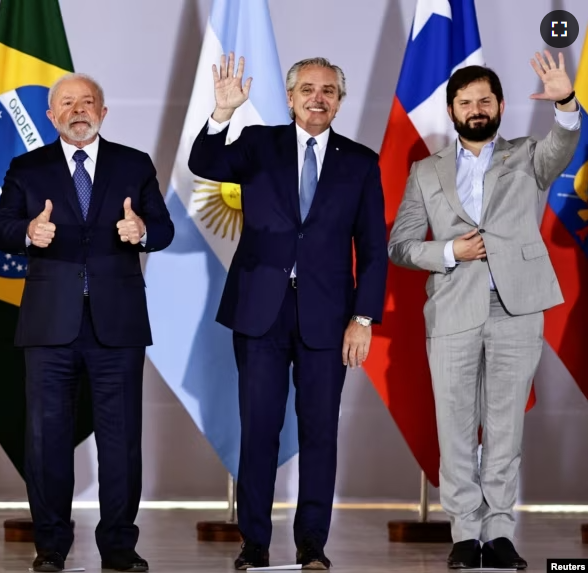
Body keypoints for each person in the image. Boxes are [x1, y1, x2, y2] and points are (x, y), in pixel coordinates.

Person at [188, 55, 388, 570]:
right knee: (258, 429)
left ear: (340, 101)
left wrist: (363, 318)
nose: (317, 98)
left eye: (327, 90)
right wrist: (221, 114)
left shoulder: (361, 162)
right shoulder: (257, 143)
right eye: (307, 89)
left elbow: (371, 248)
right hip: (260, 313)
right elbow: (204, 163)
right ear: (291, 96)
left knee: (320, 433)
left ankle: (312, 546)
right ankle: (254, 542)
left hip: (329, 318)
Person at [387, 53, 580, 570]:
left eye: (484, 100)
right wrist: (451, 252)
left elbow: (563, 145)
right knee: (454, 427)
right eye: (466, 102)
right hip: (451, 309)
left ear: (500, 106)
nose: (476, 109)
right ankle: (464, 533)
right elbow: (401, 245)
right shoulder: (425, 170)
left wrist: (565, 101)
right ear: (451, 110)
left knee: (503, 428)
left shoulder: (527, 155)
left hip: (517, 307)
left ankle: (498, 534)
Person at [0, 73, 174, 573]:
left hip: (118, 324)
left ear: (104, 112)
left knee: (120, 440)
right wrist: (28, 231)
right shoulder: (27, 168)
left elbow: (164, 228)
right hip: (51, 324)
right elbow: (0, 229)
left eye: (87, 102)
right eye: (66, 103)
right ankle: (51, 545)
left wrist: (142, 230)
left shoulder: (133, 164)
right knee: (47, 440)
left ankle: (118, 545)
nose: (78, 109)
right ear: (51, 116)